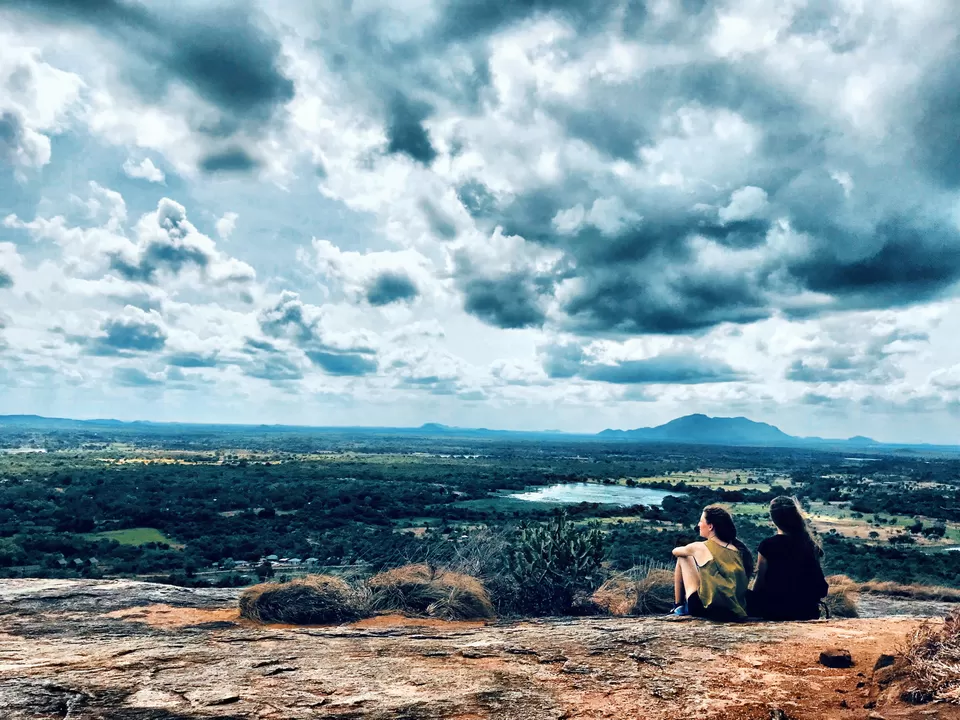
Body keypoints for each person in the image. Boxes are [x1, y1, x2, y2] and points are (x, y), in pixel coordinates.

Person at [747, 496, 828, 621]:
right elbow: (820, 586)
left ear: (773, 519)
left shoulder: (767, 545)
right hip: (807, 610)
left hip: (775, 610)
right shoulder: (809, 544)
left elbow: (760, 581)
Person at [670, 504, 752, 621]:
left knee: (684, 557)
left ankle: (678, 606)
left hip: (704, 609)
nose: (698, 525)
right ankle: (680, 606)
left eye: (701, 521)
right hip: (732, 609)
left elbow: (675, 551)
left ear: (710, 527)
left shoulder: (699, 547)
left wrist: (692, 552)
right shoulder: (738, 549)